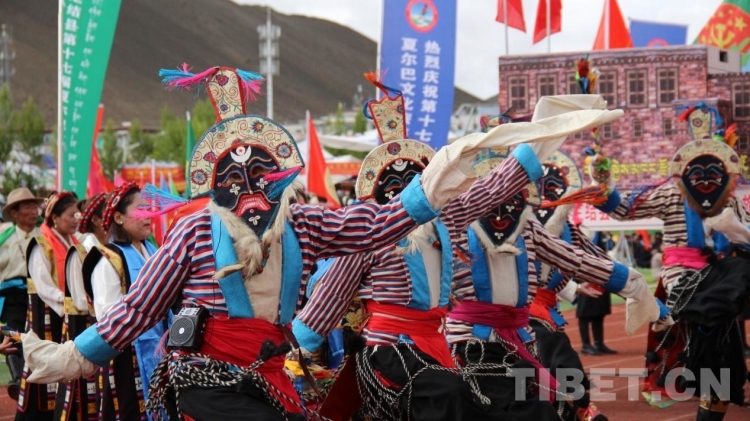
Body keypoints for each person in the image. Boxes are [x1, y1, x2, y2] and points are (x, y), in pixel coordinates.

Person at [18, 65, 539, 421]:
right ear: (213, 188)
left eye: (262, 177)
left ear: (283, 178)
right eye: (233, 182)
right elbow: (139, 308)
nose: (250, 193)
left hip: (269, 374)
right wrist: (73, 356)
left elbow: (376, 226)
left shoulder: (305, 224)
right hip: (207, 375)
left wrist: (441, 180)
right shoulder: (194, 232)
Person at [293, 91, 623, 420]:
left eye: (414, 180)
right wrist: (295, 348)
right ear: (378, 192)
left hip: (440, 343)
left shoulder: (446, 220)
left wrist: (549, 127)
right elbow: (331, 295)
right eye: (393, 185)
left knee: (498, 401)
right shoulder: (369, 235)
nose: (403, 191)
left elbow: (495, 187)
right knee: (451, 395)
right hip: (391, 349)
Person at [590, 103, 750, 419]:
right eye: (697, 173)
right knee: (707, 336)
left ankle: (714, 381)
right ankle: (697, 369)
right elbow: (622, 210)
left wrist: (734, 229)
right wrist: (603, 180)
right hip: (683, 277)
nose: (705, 180)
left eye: (714, 173)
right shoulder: (670, 195)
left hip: (722, 278)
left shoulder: (730, 201)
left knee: (724, 354)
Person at [80, 182, 164, 420]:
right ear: (118, 217)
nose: (147, 215)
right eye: (139, 209)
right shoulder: (108, 259)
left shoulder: (154, 251)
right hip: (127, 357)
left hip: (160, 350)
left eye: (148, 209)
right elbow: (106, 315)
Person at [18, 191, 80, 420]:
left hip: (68, 314)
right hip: (49, 314)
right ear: (55, 217)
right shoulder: (40, 244)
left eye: (78, 214)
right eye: (71, 215)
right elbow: (43, 287)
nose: (76, 219)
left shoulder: (76, 242)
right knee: (42, 372)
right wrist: (69, 305)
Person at [0, 187, 43, 400]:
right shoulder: (4, 236)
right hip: (10, 298)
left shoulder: (45, 237)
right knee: (12, 334)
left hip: (38, 296)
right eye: (28, 207)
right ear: (15, 213)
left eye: (35, 206)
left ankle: (33, 382)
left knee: (35, 336)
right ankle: (18, 380)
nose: (34, 211)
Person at [576, 232, 617, 356]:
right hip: (586, 276)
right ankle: (586, 344)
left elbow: (610, 247)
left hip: (600, 277)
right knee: (584, 314)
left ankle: (599, 343)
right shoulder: (584, 232)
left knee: (599, 313)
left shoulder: (603, 235)